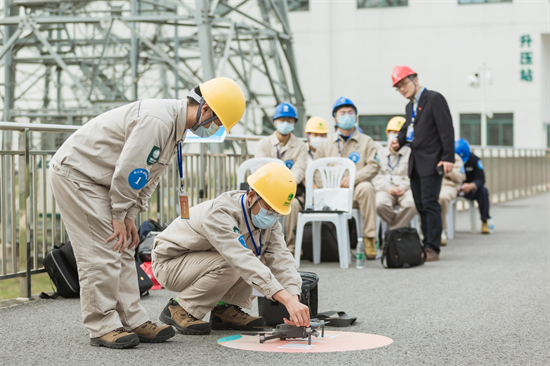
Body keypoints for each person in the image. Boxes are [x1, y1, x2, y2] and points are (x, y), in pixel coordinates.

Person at [49, 77, 246, 349]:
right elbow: (129, 170)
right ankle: (102, 325)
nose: (214, 129)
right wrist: (119, 215)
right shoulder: (158, 121)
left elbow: (146, 177)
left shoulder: (174, 127)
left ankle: (132, 319)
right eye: (217, 123)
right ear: (206, 109)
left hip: (103, 179)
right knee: (102, 251)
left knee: (126, 245)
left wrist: (130, 215)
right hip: (79, 175)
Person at [152, 163, 309, 335]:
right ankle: (180, 308)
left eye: (277, 211)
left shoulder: (270, 221)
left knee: (259, 258)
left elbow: (281, 257)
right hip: (170, 263)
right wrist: (286, 300)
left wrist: (294, 297)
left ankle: (225, 309)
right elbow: (240, 259)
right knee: (236, 262)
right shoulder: (221, 213)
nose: (273, 215)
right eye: (270, 208)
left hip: (203, 259)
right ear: (251, 196)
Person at [389, 66, 455, 262]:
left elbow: (446, 129)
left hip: (433, 160)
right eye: (398, 87)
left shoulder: (434, 99)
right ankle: (426, 244)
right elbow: (408, 129)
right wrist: (398, 141)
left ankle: (432, 247)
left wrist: (448, 157)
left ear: (415, 79)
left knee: (430, 203)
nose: (402, 89)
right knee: (420, 204)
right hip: (416, 163)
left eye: (404, 84)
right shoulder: (410, 107)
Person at [315, 97, 381, 259]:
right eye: (342, 113)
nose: (347, 116)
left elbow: (374, 165)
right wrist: (329, 185)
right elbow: (315, 170)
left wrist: (354, 178)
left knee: (367, 188)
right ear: (335, 118)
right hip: (331, 192)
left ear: (356, 117)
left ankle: (369, 238)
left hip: (355, 192)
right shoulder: (325, 144)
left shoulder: (367, 142)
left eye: (350, 113)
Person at [255, 102, 308, 253]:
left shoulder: (301, 146)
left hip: (291, 191)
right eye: (282, 119)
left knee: (294, 205)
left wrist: (284, 186)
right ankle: (262, 244)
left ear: (294, 123)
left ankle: (289, 245)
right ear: (275, 121)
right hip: (267, 190)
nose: (285, 123)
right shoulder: (263, 144)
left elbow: (299, 171)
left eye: (290, 120)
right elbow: (262, 169)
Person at [372, 117, 417, 229]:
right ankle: (399, 228)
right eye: (393, 132)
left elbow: (414, 175)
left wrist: (403, 186)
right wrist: (387, 187)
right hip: (385, 189)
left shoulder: (412, 154)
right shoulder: (380, 153)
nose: (395, 136)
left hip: (406, 189)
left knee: (413, 204)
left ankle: (392, 230)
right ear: (387, 134)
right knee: (379, 204)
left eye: (399, 133)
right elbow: (376, 174)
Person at [455, 138, 492, 234]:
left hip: (469, 190)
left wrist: (472, 185)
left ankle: (484, 221)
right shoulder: (449, 160)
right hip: (453, 189)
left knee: (483, 191)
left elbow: (481, 178)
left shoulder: (474, 160)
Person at [438, 153, 466, 245]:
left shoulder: (455, 157)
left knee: (442, 197)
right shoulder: (428, 153)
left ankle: (440, 230)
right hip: (430, 185)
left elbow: (461, 177)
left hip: (448, 186)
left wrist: (448, 170)